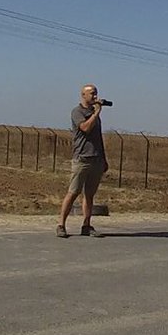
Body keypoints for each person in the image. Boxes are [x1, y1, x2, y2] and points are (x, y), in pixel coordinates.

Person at [57, 84, 108, 238]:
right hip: (82, 159)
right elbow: (85, 128)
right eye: (92, 94)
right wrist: (96, 114)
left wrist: (103, 159)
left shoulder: (95, 114)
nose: (95, 96)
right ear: (83, 95)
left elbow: (98, 138)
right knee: (73, 192)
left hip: (96, 159)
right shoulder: (77, 112)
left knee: (89, 195)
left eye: (96, 93)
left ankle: (86, 225)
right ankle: (61, 224)